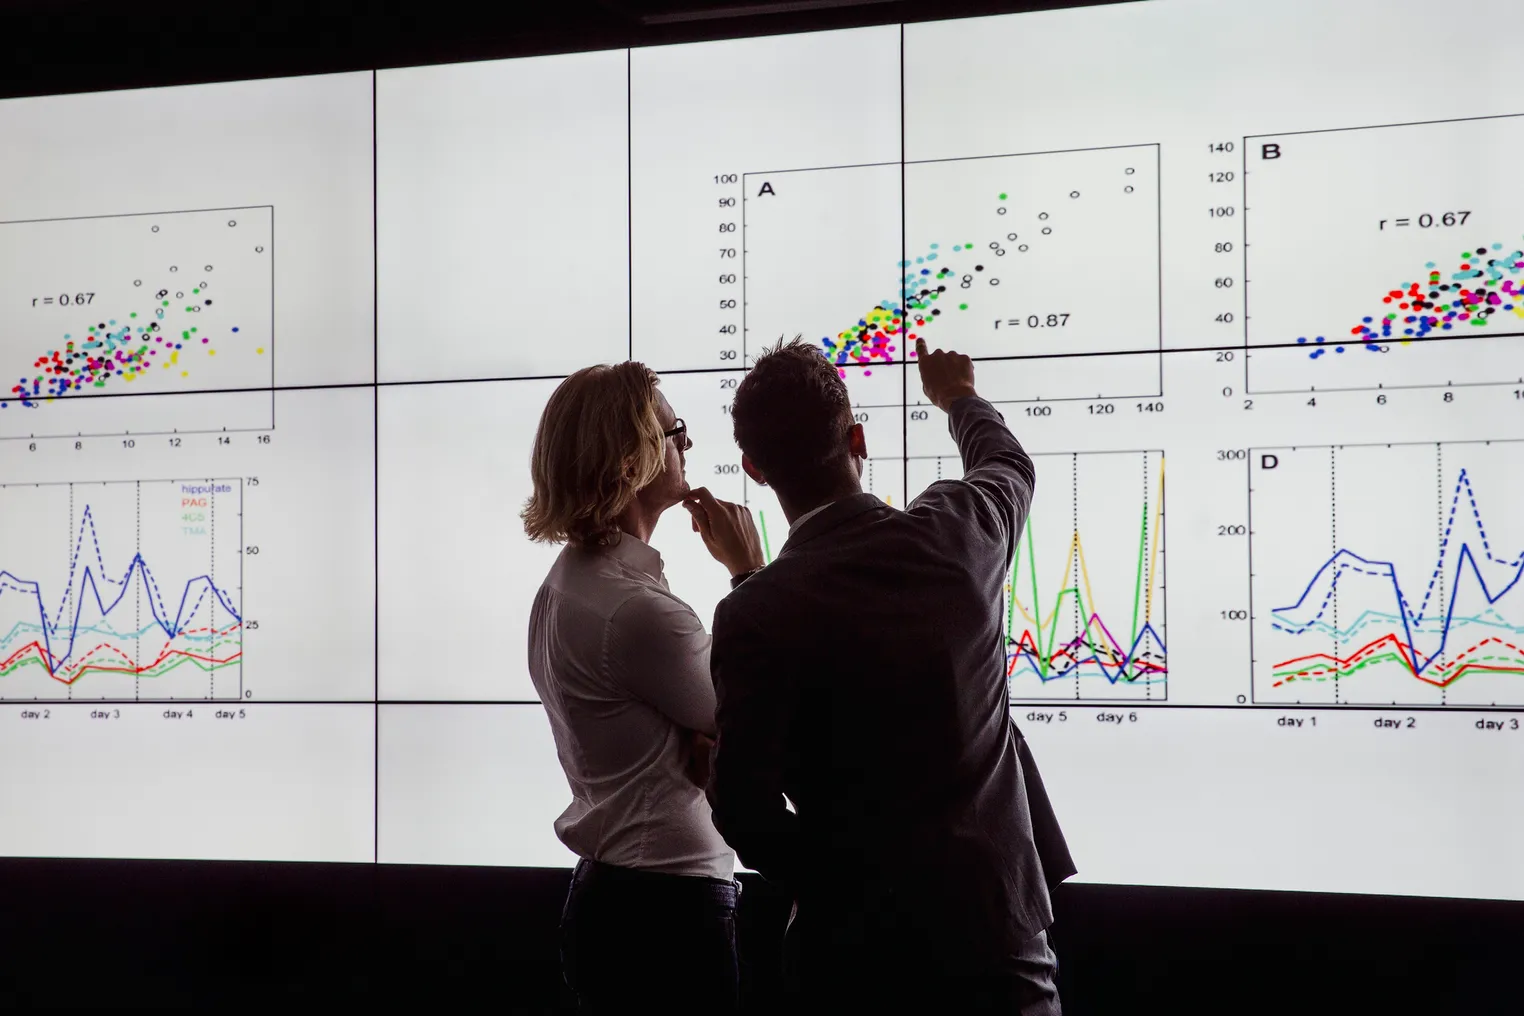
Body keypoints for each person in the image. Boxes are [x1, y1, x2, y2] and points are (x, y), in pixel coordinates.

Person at [706, 337, 1076, 1013]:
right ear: (859, 438)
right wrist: (957, 396)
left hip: (852, 957)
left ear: (754, 470)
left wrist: (843, 881)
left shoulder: (753, 611)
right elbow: (1007, 463)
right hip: (996, 941)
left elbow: (742, 810)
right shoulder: (959, 533)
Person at [521, 361, 765, 1014]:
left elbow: (721, 723)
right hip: (667, 916)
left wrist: (711, 732)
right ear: (629, 461)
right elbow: (766, 721)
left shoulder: (567, 586)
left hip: (616, 900)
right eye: (672, 431)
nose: (686, 443)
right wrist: (751, 574)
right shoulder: (636, 612)